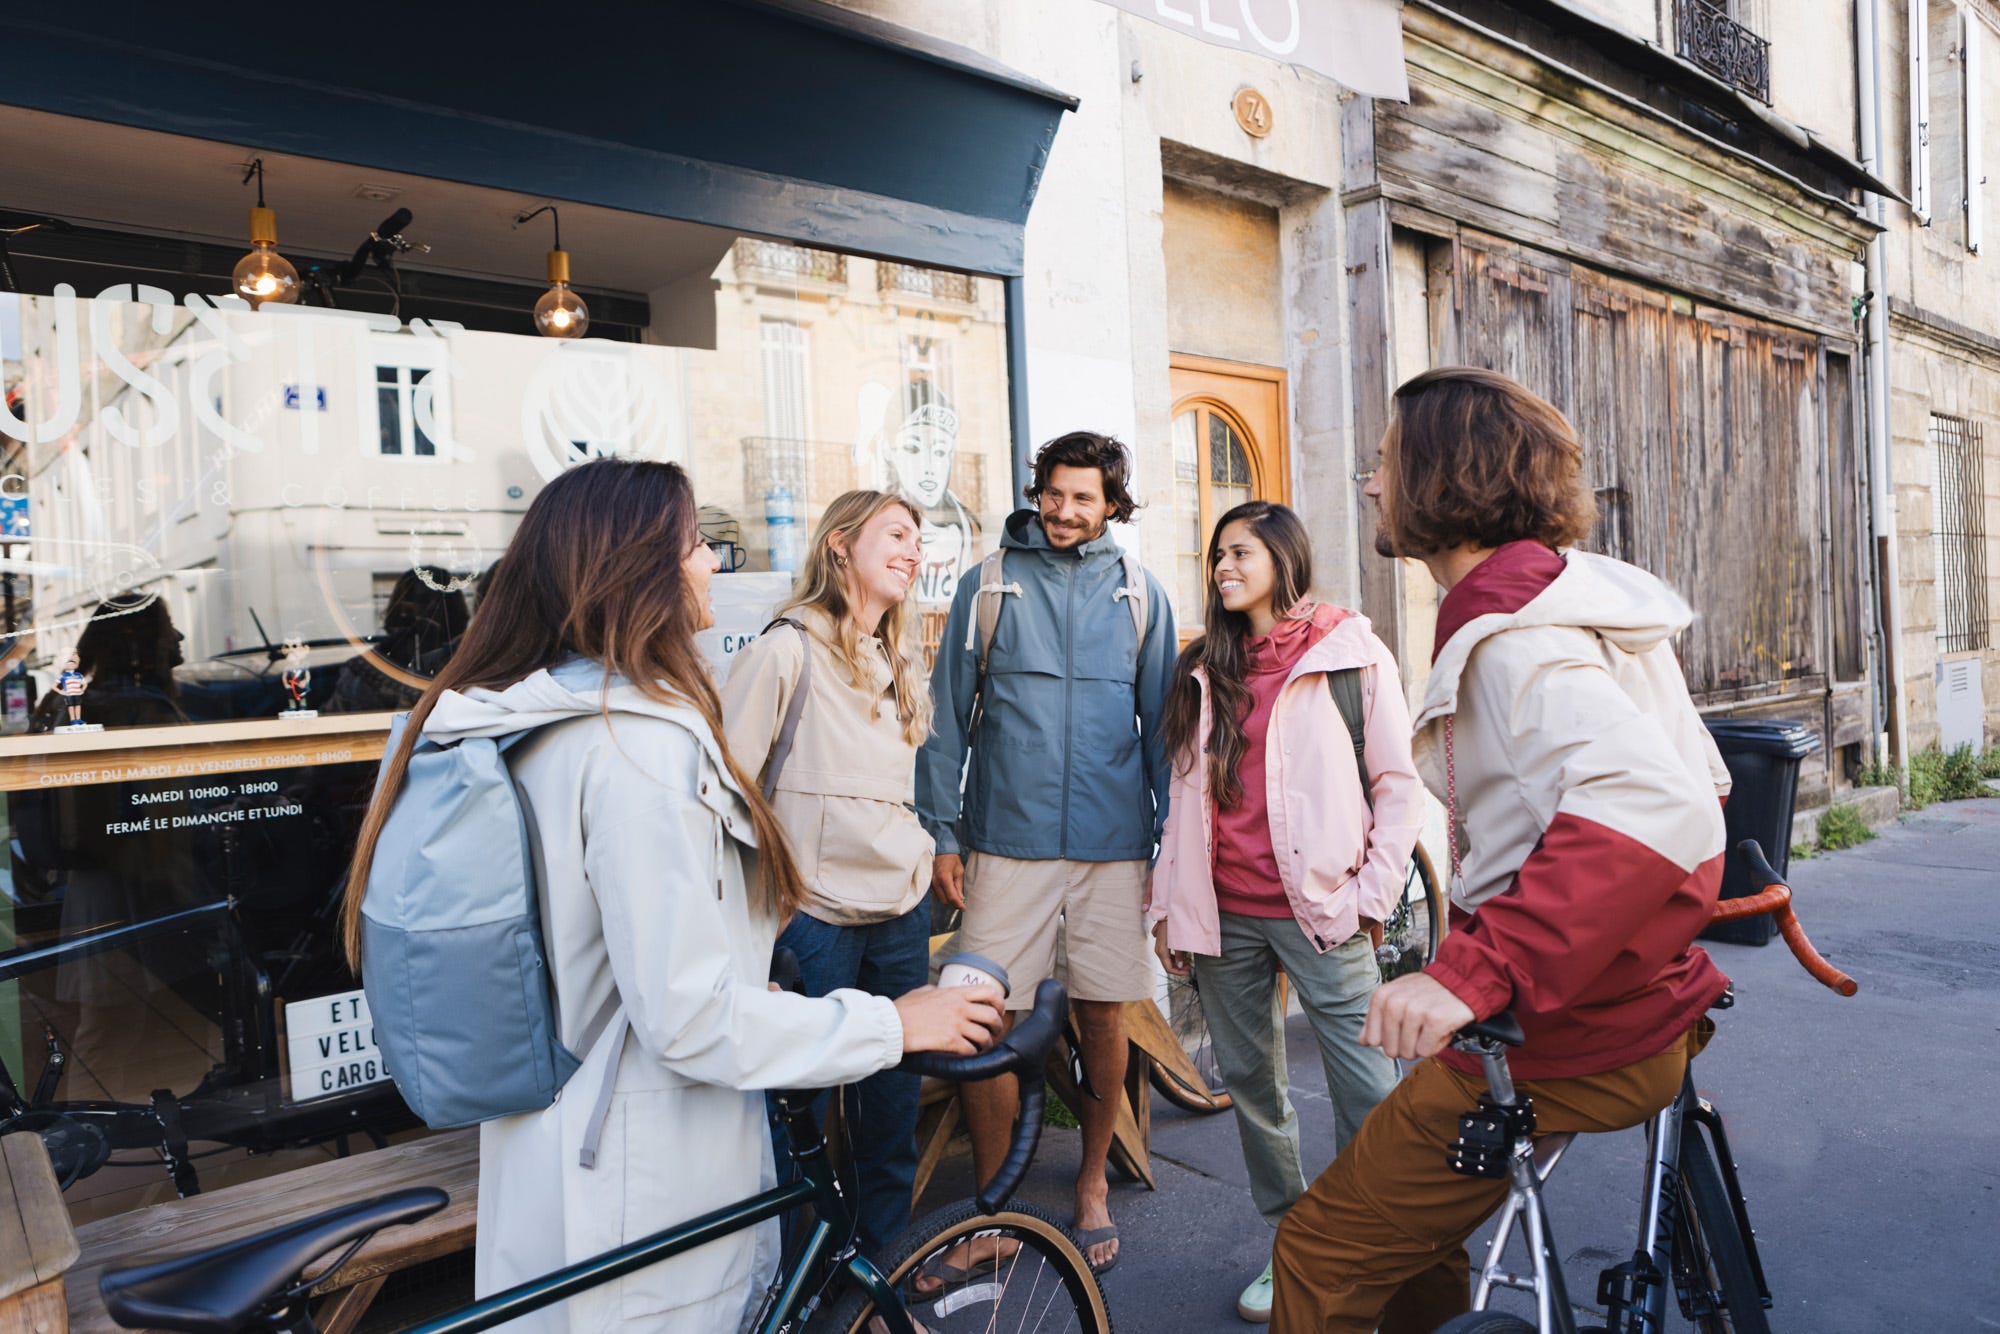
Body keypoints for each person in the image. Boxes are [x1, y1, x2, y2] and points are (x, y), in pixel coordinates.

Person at [338, 459, 1003, 1333]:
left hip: (558, 1146)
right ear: (638, 567)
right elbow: (688, 1019)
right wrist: (894, 1023)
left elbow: (599, 950)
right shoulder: (634, 747)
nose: (711, 567)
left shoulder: (533, 722)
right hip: (642, 1180)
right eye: (695, 546)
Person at [1268, 367, 1732, 1333]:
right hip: (1640, 1007)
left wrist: (1478, 967)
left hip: (1569, 1035)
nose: (1369, 483)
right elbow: (1704, 781)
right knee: (1402, 1235)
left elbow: (1661, 800)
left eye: (1387, 462)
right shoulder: (1577, 600)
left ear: (1442, 480)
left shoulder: (1516, 638)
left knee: (1319, 1253)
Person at [1148, 500, 1424, 1324]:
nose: (1223, 567)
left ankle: (1374, 1253)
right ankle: (1292, 1246)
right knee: (1254, 1089)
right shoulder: (1204, 666)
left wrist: (1371, 894)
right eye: (1216, 556)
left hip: (1324, 913)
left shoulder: (1348, 651)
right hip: (1224, 917)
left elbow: (1398, 786)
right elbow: (1181, 801)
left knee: (1367, 1090)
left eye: (1240, 553)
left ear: (1282, 557)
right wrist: (1168, 905)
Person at [916, 430, 1178, 1276]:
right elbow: (947, 718)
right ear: (1039, 491)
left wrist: (1169, 852)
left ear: (1111, 506)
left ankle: (1092, 1183)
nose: (1066, 511)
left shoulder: (1140, 594)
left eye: (1085, 498)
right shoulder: (987, 585)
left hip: (1112, 849)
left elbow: (1165, 736)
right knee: (980, 1020)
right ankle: (998, 1204)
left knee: (1103, 1013)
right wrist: (942, 831)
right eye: (1055, 494)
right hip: (1004, 844)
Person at [721, 489, 937, 1257]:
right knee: (799, 1123)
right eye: (898, 534)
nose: (914, 550)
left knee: (890, 1114)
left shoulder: (900, 657)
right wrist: (764, 903)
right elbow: (726, 791)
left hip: (900, 911)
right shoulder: (784, 650)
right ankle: (805, 1284)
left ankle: (883, 1271)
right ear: (841, 544)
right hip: (811, 917)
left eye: (920, 539)